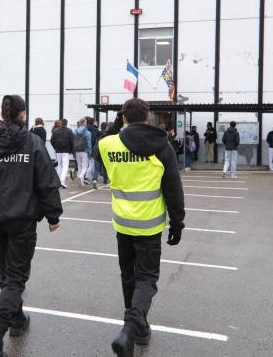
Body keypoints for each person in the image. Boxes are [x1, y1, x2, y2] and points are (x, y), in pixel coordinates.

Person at [0, 95, 63, 356]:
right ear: (23, 114)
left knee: (8, 274)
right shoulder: (32, 142)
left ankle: (17, 320)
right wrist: (53, 216)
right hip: (21, 219)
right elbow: (47, 180)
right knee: (15, 278)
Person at [95, 99, 185, 357]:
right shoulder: (162, 146)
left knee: (128, 276)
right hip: (149, 225)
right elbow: (173, 189)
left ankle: (138, 327)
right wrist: (177, 223)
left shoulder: (107, 144)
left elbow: (98, 146)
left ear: (122, 118)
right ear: (148, 118)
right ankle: (132, 328)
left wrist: (116, 124)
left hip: (122, 223)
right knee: (146, 279)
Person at [50, 119, 74, 188]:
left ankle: (57, 181)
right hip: (66, 151)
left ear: (61, 123)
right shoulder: (69, 131)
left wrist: (55, 148)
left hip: (58, 151)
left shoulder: (55, 131)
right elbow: (72, 141)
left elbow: (52, 141)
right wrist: (71, 150)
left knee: (59, 166)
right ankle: (62, 181)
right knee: (65, 166)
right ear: (66, 123)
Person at [92, 121, 111, 190]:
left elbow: (94, 141)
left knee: (96, 168)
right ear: (106, 127)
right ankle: (105, 181)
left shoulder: (98, 133)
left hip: (97, 150)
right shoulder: (107, 134)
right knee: (105, 167)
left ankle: (94, 181)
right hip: (104, 151)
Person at [73, 119, 92, 186]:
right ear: (84, 123)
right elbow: (89, 144)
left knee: (79, 165)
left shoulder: (75, 132)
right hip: (85, 151)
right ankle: (82, 176)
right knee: (85, 166)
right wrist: (90, 152)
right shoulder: (88, 133)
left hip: (77, 151)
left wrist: (73, 152)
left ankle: (81, 181)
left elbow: (73, 142)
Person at [85, 116, 101, 182]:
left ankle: (86, 176)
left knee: (86, 164)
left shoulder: (84, 129)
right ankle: (87, 176)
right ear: (93, 122)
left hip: (84, 148)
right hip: (93, 148)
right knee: (92, 164)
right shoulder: (95, 129)